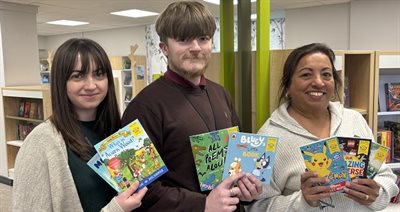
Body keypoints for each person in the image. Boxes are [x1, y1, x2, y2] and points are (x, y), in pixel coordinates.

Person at [121, 1, 262, 211]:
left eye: (203, 38)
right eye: (183, 39)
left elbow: (238, 160)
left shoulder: (220, 94)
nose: (195, 48)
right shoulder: (143, 106)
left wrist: (246, 191)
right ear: (164, 48)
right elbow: (136, 187)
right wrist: (202, 204)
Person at [247, 43, 399, 211]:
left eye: (326, 74)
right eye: (306, 75)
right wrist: (302, 202)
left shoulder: (354, 120)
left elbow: (386, 175)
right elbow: (257, 206)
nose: (319, 82)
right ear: (288, 86)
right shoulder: (267, 138)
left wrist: (377, 193)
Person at [13, 38, 147, 212]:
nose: (91, 85)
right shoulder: (41, 142)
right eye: (78, 76)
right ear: (61, 82)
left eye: (99, 74)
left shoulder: (116, 132)